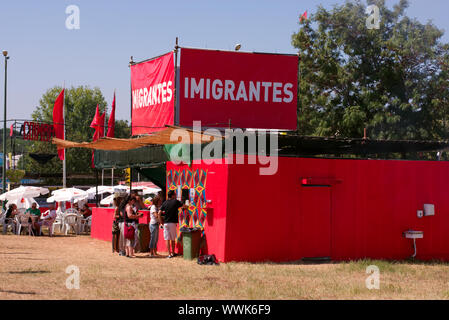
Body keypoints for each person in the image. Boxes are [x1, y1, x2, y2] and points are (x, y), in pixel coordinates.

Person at [159, 190, 186, 258]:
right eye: (175, 194)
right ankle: (173, 253)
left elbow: (159, 212)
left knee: (167, 239)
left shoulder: (165, 203)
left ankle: (169, 254)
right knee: (172, 239)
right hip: (172, 223)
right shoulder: (175, 201)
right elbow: (184, 206)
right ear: (173, 195)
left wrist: (161, 222)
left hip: (165, 223)